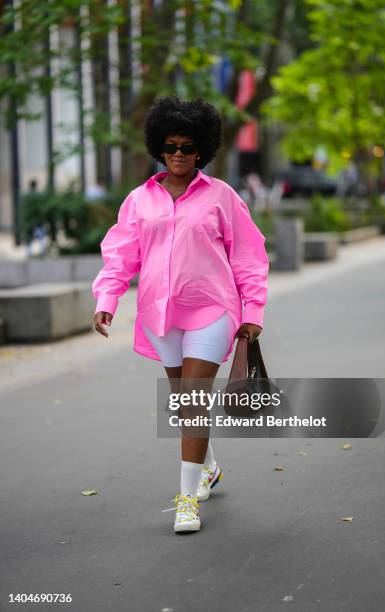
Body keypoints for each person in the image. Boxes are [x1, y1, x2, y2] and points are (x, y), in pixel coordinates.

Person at [92, 96, 269, 533]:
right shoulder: (138, 200)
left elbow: (249, 256)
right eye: (170, 146)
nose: (177, 155)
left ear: (202, 151)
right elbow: (120, 256)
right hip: (160, 314)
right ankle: (207, 467)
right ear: (159, 146)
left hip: (213, 308)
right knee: (183, 402)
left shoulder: (222, 197)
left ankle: (187, 498)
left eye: (187, 148)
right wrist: (107, 301)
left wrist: (254, 310)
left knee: (193, 398)